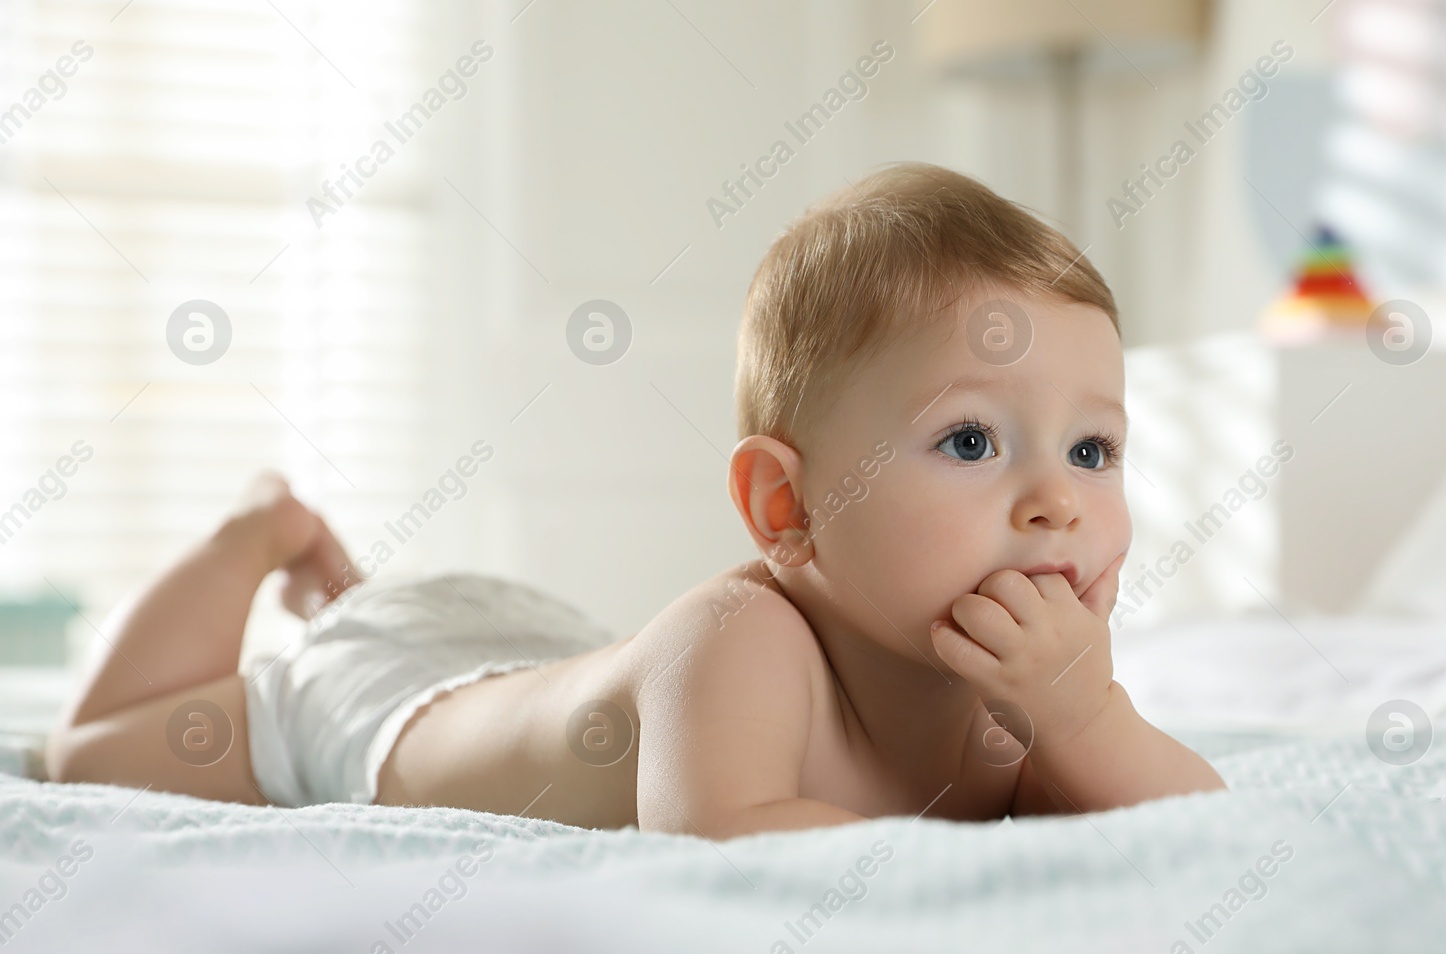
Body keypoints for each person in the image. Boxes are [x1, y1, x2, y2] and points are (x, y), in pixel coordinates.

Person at [47, 162, 1225, 837]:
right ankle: (260, 529)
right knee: (89, 754)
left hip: (542, 648)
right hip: (385, 698)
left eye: (1093, 449)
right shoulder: (742, 635)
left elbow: (1197, 827)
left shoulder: (1027, 684)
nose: (1055, 504)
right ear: (785, 508)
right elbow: (722, 842)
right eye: (970, 438)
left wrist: (1087, 720)